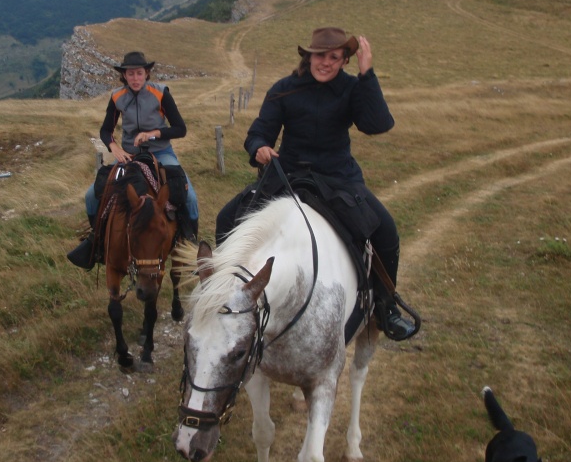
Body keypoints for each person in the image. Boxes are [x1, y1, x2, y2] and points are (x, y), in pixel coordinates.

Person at [215, 27, 415, 340]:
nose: (326, 63)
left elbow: (377, 124)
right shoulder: (285, 89)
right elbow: (258, 132)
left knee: (385, 230)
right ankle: (224, 292)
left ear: (344, 61)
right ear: (308, 56)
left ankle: (385, 308)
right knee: (227, 218)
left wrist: (367, 74)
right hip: (287, 175)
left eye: (334, 57)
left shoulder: (352, 88)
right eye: (320, 55)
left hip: (338, 177)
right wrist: (260, 148)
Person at [68, 51, 199, 269]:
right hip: (129, 156)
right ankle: (97, 242)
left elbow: (180, 129)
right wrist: (114, 147)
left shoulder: (160, 93)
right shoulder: (117, 96)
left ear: (147, 73)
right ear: (124, 76)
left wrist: (153, 133)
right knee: (92, 195)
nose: (135, 78)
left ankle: (190, 245)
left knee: (190, 197)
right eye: (131, 74)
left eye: (139, 73)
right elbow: (105, 130)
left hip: (161, 153)